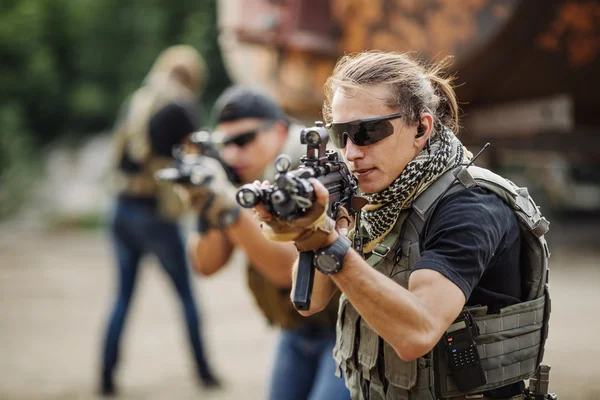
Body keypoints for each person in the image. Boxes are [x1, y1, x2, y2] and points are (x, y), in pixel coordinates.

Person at [256, 51, 553, 400]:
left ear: (421, 128)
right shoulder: (384, 197)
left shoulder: (469, 208)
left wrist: (328, 245)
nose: (351, 152)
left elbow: (418, 333)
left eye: (366, 131)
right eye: (341, 135)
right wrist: (314, 230)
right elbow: (309, 302)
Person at [177, 85, 351, 400]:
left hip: (345, 327)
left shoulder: (309, 166)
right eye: (224, 144)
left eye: (244, 140)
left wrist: (228, 204)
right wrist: (207, 203)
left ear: (279, 130)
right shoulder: (240, 173)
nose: (232, 154)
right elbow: (205, 264)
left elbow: (285, 270)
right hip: (296, 328)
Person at [101, 45, 220, 396]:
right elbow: (202, 156)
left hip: (120, 207)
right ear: (193, 77)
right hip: (154, 212)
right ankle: (204, 373)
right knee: (185, 295)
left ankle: (106, 377)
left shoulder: (137, 100)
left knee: (122, 297)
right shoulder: (181, 106)